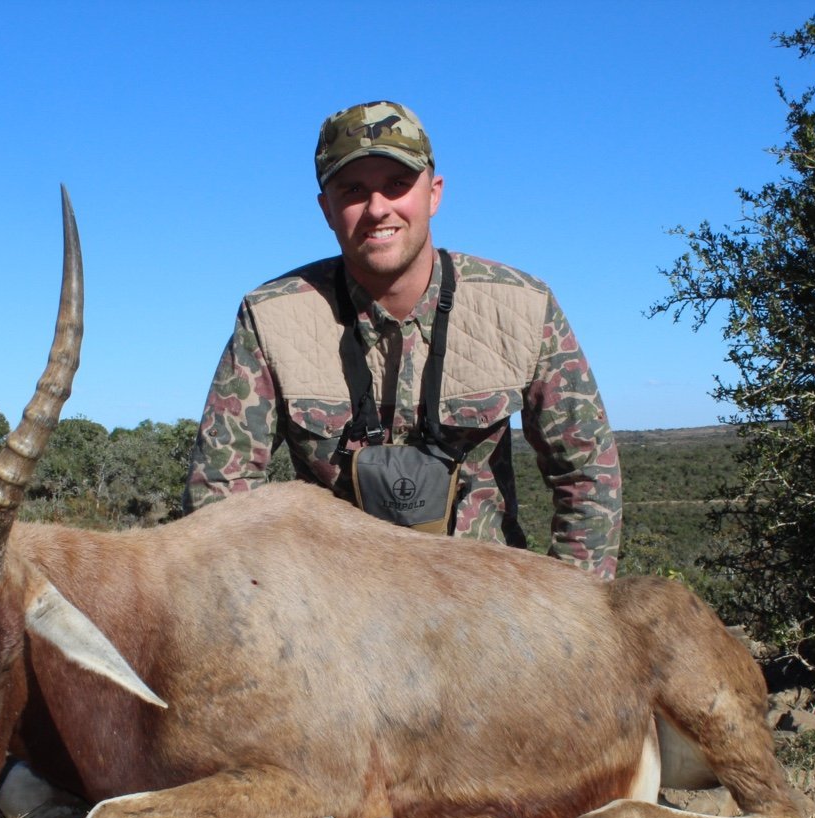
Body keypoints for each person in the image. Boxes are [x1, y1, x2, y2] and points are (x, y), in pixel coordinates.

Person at [184, 100, 621, 578]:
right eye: (353, 190)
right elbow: (220, 497)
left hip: (486, 610)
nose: (377, 208)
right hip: (332, 616)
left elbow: (587, 476)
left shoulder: (524, 306)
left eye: (397, 184)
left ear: (433, 193)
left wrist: (569, 621)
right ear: (326, 209)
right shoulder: (270, 317)